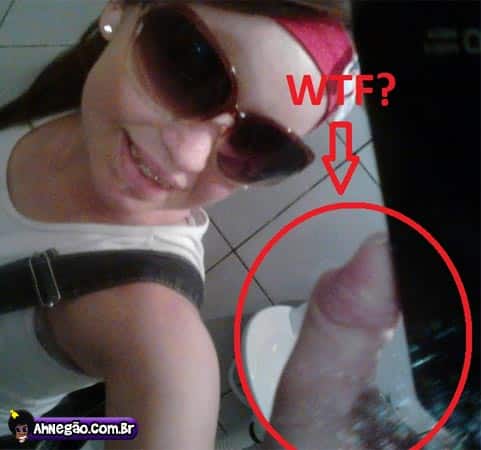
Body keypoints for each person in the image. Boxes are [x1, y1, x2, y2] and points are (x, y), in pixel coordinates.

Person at [0, 1, 456, 449]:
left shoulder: (151, 324)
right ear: (121, 11)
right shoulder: (71, 96)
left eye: (259, 144)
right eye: (189, 69)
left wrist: (34, 432)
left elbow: (159, 405)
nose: (190, 156)